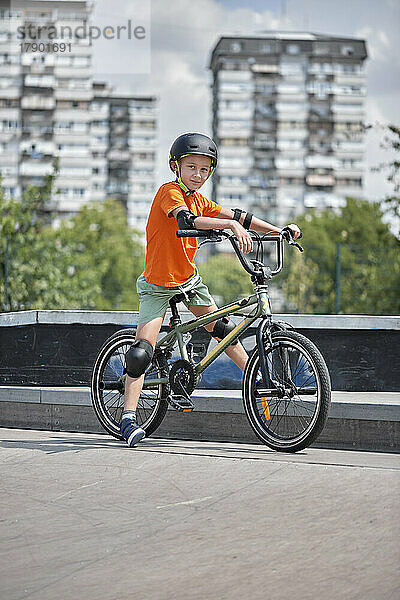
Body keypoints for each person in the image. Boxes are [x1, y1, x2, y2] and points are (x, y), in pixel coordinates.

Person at [120, 132, 301, 447]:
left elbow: (238, 215)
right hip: (157, 285)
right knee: (140, 354)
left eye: (204, 170)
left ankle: (256, 378)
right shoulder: (169, 192)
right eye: (191, 167)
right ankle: (128, 418)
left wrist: (279, 230)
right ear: (176, 166)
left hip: (189, 281)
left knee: (223, 329)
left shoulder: (200, 198)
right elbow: (186, 219)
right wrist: (230, 227)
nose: (198, 175)